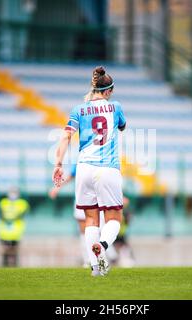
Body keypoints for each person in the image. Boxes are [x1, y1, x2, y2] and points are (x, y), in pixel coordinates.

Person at [52, 66, 126, 277]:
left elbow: (65, 136)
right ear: (109, 91)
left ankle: (96, 268)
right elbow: (122, 127)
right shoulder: (116, 107)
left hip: (84, 168)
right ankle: (102, 245)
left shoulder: (78, 109)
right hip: (107, 168)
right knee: (114, 219)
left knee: (90, 220)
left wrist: (58, 164)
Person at [49, 164, 117, 268]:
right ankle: (89, 260)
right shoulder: (80, 161)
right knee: (84, 230)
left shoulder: (103, 159)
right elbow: (71, 176)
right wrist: (57, 188)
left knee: (99, 229)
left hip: (99, 199)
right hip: (83, 198)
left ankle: (104, 257)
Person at [0, 187, 29, 267]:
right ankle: (4, 265)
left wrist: (11, 219)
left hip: (16, 232)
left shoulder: (22, 203)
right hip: (4, 232)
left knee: (14, 249)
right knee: (5, 249)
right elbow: (0, 214)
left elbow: (22, 214)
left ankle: (15, 265)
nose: (13, 194)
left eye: (14, 192)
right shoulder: (3, 202)